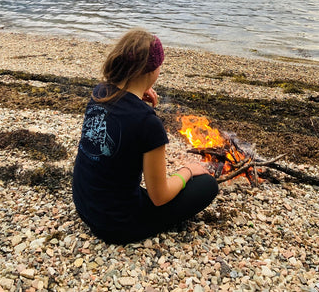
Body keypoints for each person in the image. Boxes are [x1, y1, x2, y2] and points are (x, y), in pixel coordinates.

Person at [72, 28, 218, 244]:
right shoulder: (147, 122)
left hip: (85, 205)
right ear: (151, 71)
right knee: (207, 185)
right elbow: (159, 197)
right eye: (159, 66)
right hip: (118, 224)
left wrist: (138, 93)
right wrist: (186, 171)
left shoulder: (100, 92)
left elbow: (123, 115)